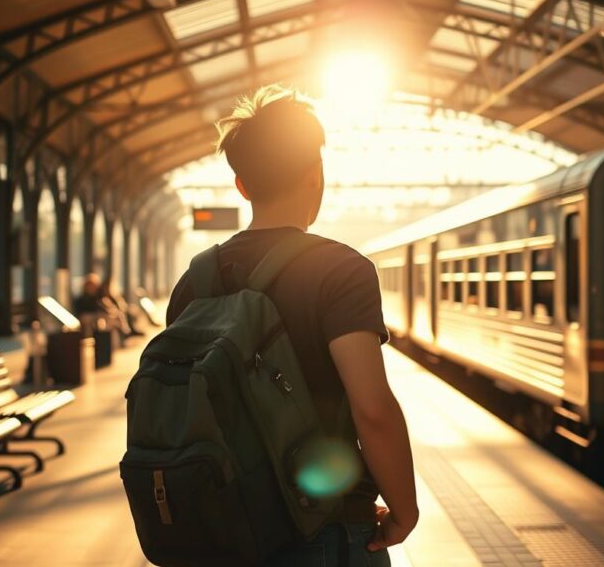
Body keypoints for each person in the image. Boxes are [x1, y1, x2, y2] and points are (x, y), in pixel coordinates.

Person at [165, 85, 418, 566]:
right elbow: (373, 409)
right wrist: (403, 510)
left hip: (222, 526)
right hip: (328, 529)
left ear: (242, 186)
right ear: (315, 175)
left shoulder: (192, 283)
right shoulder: (342, 271)